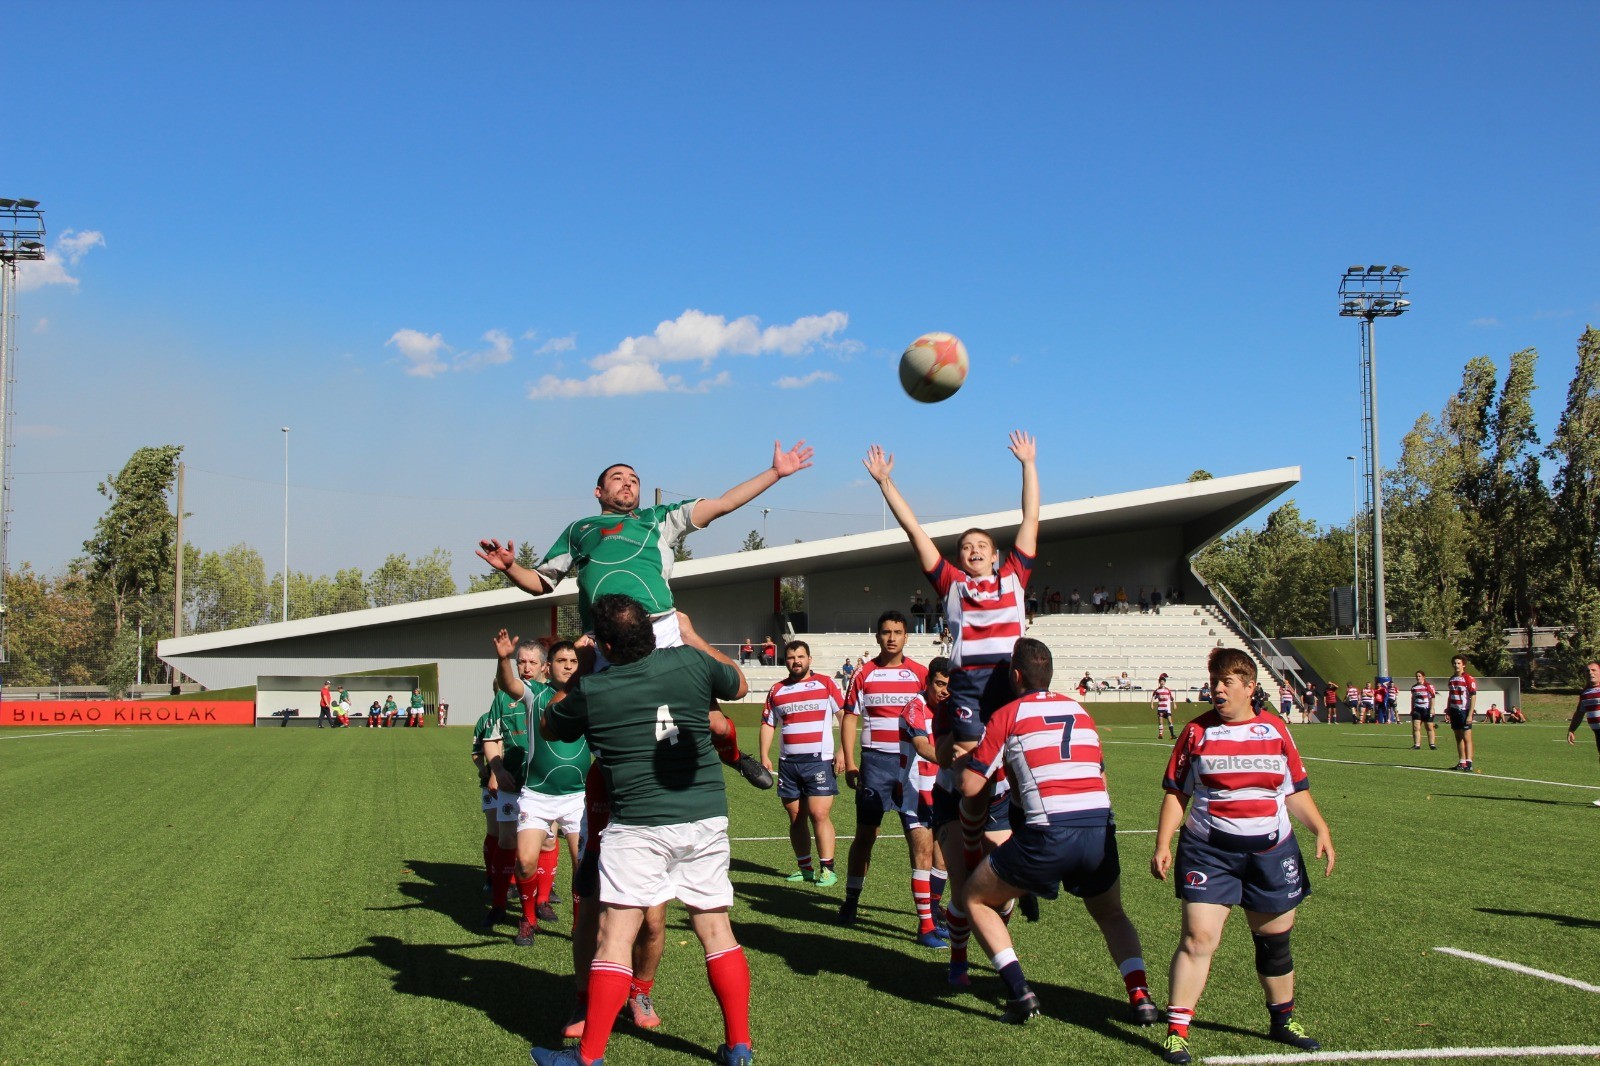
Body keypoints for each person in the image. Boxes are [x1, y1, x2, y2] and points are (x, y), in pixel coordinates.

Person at [531, 593, 755, 1066]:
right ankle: (739, 1047)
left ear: (605, 646)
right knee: (716, 929)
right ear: (653, 633)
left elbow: (549, 725)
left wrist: (579, 669)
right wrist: (692, 635)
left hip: (638, 824)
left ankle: (587, 1058)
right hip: (705, 814)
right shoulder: (690, 660)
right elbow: (738, 685)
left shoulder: (593, 690)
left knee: (615, 935)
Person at [864, 429, 1039, 987]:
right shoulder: (952, 586)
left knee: (1019, 765)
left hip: (1010, 682)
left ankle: (1013, 848)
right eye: (964, 547)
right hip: (969, 683)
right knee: (964, 761)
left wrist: (1028, 466)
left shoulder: (1015, 578)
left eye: (980, 546)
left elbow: (1031, 518)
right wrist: (887, 484)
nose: (971, 552)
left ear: (997, 553)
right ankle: (969, 834)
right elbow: (916, 532)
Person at [1151, 647, 1335, 1065]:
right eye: (1214, 680)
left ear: (1250, 688)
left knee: (1274, 943)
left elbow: (1294, 790)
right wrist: (1163, 843)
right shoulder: (1196, 732)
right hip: (1208, 852)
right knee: (1199, 938)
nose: (1216, 689)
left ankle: (1283, 1021)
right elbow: (1178, 792)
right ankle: (1178, 1030)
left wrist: (1320, 828)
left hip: (1272, 850)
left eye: (1226, 682)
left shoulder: (1275, 730)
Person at [960, 638, 1158, 1026]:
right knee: (1112, 914)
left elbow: (970, 787)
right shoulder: (1078, 710)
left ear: (1015, 676)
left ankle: (1020, 992)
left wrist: (966, 759)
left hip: (1050, 831)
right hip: (1100, 826)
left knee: (975, 899)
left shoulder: (1008, 714)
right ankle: (1141, 997)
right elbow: (1099, 772)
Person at [489, 635, 591, 946]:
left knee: (582, 866)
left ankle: (579, 926)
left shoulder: (590, 695)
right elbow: (509, 685)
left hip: (578, 798)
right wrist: (504, 659)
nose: (569, 667)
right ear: (549, 667)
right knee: (525, 861)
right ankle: (528, 918)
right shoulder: (535, 694)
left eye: (574, 662)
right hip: (537, 794)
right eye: (562, 661)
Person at [839, 610, 928, 925]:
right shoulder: (864, 674)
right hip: (876, 763)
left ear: (907, 636)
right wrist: (849, 761)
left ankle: (927, 914)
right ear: (877, 636)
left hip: (913, 767)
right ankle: (851, 900)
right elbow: (850, 716)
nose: (892, 638)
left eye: (898, 632)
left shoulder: (921, 673)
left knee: (919, 838)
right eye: (886, 632)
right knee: (866, 835)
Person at [760, 640, 846, 887]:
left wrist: (843, 751)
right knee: (796, 816)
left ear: (809, 659)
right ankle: (805, 867)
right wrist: (764, 755)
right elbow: (768, 723)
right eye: (790, 657)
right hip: (788, 763)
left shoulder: (826, 684)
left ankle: (827, 868)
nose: (795, 661)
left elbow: (844, 717)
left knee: (819, 813)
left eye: (800, 656)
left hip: (819, 762)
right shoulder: (777, 690)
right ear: (785, 661)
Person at [480, 641, 547, 929]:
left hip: (544, 783)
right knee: (507, 840)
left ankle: (540, 901)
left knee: (547, 842)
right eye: (521, 662)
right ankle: (498, 904)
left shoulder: (553, 694)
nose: (527, 668)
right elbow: (491, 738)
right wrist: (496, 769)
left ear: (544, 665)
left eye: (532, 663)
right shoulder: (503, 698)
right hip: (511, 781)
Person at [899, 657, 952, 946]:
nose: (944, 691)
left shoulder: (952, 709)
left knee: (942, 861)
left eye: (949, 686)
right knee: (923, 856)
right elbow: (921, 746)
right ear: (929, 682)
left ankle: (933, 912)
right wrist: (956, 759)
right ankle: (925, 928)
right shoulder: (915, 707)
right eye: (940, 684)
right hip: (914, 792)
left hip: (942, 791)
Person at [1568, 662, 1600, 808]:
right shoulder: (1585, 693)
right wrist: (1572, 729)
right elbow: (1580, 713)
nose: (1590, 673)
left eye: (1594, 670)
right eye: (1587, 671)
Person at [1446, 655, 1478, 772]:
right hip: (1454, 710)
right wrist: (1448, 708)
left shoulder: (1468, 678)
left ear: (1463, 665)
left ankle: (1469, 762)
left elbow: (1473, 696)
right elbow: (1450, 695)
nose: (1456, 665)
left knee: (1467, 737)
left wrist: (1470, 714)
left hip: (1464, 710)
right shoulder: (1452, 679)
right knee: (1458, 737)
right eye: (1455, 663)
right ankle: (1461, 761)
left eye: (1459, 663)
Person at [1409, 671, 1438, 751]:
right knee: (1416, 727)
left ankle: (1432, 744)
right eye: (1417, 676)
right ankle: (1417, 745)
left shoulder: (1429, 686)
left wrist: (1432, 708)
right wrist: (1412, 709)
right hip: (1417, 709)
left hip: (1427, 709)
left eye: (1419, 676)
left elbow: (1432, 697)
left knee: (1429, 727)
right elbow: (1413, 699)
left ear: (1423, 677)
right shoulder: (1414, 687)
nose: (1418, 678)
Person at [1151, 674, 1177, 740]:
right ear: (1159, 682)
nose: (1162, 682)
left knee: (1170, 721)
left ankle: (1172, 735)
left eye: (1163, 681)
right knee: (1160, 721)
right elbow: (1153, 697)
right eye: (1161, 681)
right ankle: (1160, 735)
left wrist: (1174, 704)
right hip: (1160, 707)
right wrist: (1152, 704)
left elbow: (1171, 698)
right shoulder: (1157, 690)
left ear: (1165, 682)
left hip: (1167, 708)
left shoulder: (1167, 690)